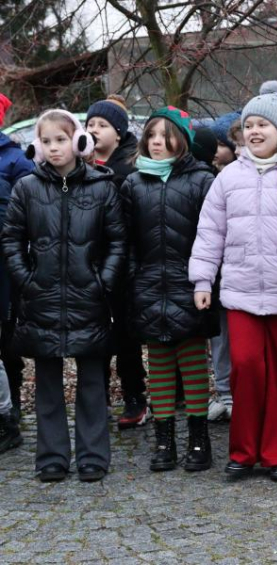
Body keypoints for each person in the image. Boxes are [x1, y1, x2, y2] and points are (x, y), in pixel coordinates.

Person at [190, 81, 277, 482]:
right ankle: (244, 451)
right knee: (246, 368)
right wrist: (202, 280)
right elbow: (209, 232)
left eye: (262, 125)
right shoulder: (228, 178)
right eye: (248, 125)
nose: (254, 131)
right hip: (242, 292)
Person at [1, 110, 126, 482]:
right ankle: (52, 456)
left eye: (60, 139)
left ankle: (93, 456)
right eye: (47, 141)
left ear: (76, 141)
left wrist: (102, 280)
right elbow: (11, 239)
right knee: (48, 383)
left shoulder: (103, 186)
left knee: (91, 381)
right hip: (41, 298)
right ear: (38, 145)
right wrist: (27, 280)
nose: (54, 148)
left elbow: (117, 241)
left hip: (90, 297)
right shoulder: (27, 187)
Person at [122, 106, 217, 472]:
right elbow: (126, 238)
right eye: (151, 136)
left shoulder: (201, 179)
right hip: (147, 285)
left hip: (189, 284)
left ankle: (198, 438)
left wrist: (205, 279)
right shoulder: (133, 183)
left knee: (192, 360)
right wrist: (133, 277)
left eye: (165, 136)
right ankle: (164, 439)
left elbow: (211, 236)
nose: (157, 142)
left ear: (182, 140)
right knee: (159, 362)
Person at [86, 94, 151, 430]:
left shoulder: (130, 167)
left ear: (118, 132)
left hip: (124, 264)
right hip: (87, 265)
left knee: (125, 337)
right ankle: (97, 398)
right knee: (94, 336)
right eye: (90, 124)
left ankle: (135, 396)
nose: (94, 130)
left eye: (102, 125)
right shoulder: (80, 165)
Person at [0, 93, 33, 432]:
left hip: (6, 268)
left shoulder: (15, 161)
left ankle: (11, 413)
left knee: (6, 341)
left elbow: (28, 215)